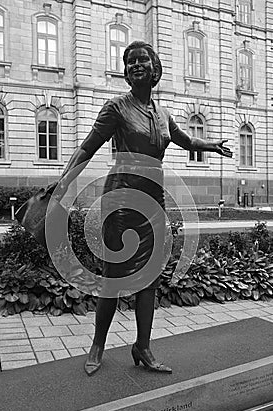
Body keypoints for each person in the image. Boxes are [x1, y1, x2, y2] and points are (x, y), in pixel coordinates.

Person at [50, 41, 232, 376]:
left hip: (154, 204)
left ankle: (143, 347)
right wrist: (62, 184)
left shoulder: (163, 114)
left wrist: (211, 144)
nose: (136, 64)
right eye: (130, 61)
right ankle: (98, 345)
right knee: (113, 279)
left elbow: (186, 141)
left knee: (149, 278)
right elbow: (87, 148)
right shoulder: (116, 108)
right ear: (126, 71)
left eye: (142, 59)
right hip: (120, 202)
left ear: (155, 68)